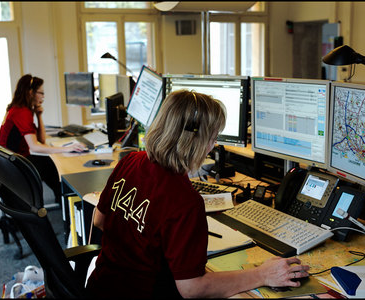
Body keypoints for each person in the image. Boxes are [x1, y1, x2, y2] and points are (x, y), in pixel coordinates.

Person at [85, 90, 310, 298]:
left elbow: (99, 220)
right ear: (195, 142)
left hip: (100, 288)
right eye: (212, 137)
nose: (212, 146)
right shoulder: (184, 201)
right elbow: (191, 288)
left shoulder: (132, 161)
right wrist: (262, 274)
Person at [0, 74, 86, 205]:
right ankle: (65, 203)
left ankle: (62, 200)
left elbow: (41, 140)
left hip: (9, 161)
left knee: (51, 164)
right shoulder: (21, 112)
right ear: (30, 92)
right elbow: (34, 146)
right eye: (41, 93)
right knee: (54, 167)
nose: (43, 97)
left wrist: (39, 116)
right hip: (12, 164)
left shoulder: (21, 109)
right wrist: (66, 148)